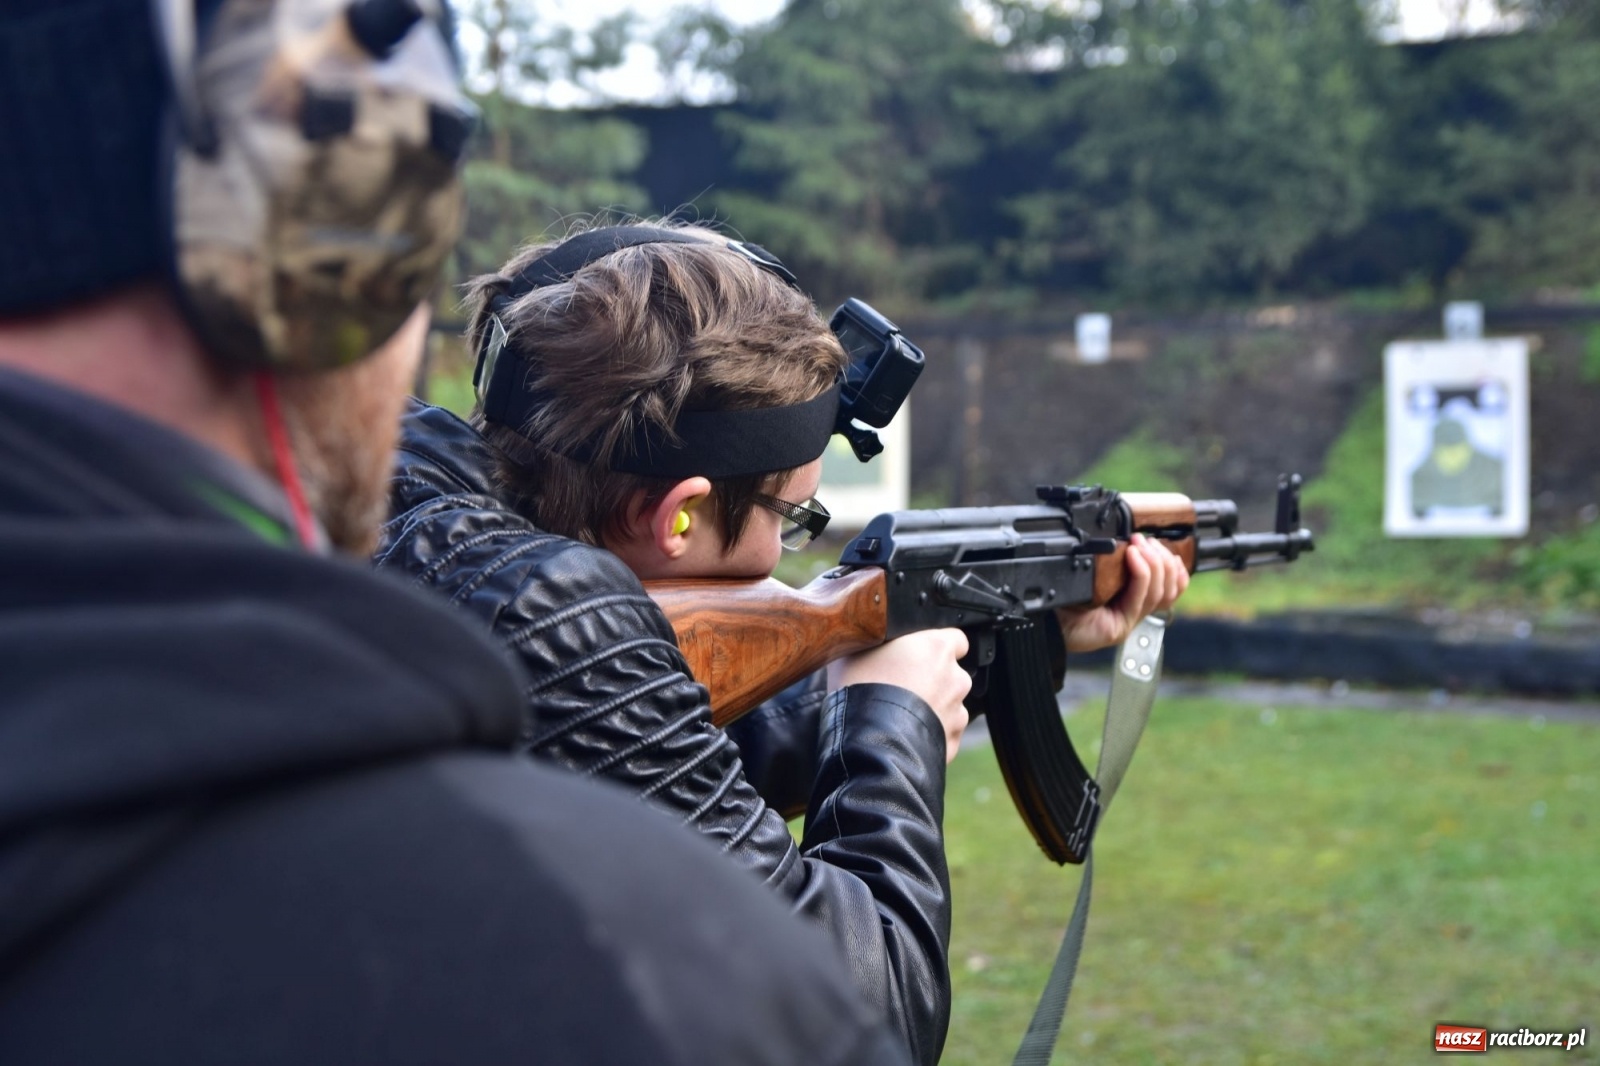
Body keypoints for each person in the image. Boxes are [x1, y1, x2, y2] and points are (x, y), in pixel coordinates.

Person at [0, 3, 917, 1064]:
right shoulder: (644, 967)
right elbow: (872, 1008)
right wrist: (888, 718)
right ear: (328, 254)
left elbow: (660, 734)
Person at [377, 219, 1191, 1065]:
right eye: (794, 518)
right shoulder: (555, 622)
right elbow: (869, 1017)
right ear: (677, 516)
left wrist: (1010, 641)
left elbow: (670, 756)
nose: (793, 551)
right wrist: (889, 721)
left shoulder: (409, 501)